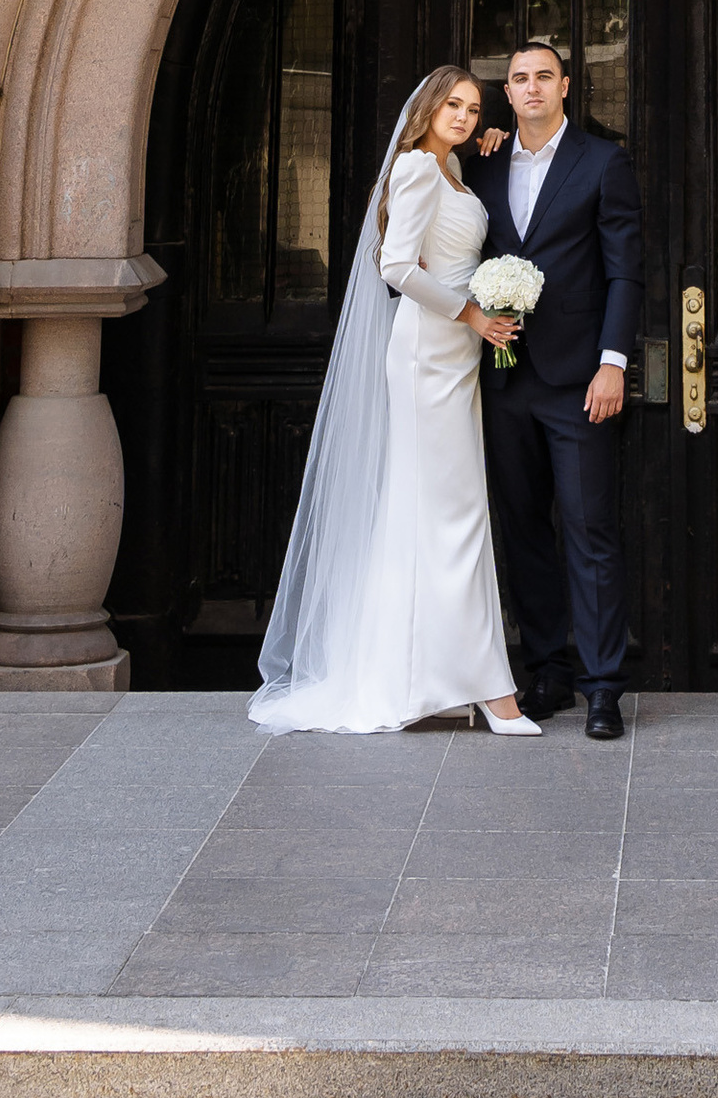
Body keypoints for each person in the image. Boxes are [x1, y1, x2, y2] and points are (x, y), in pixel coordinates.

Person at [248, 64, 537, 734]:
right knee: (449, 518)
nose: (464, 117)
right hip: (425, 357)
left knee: (441, 518)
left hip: (457, 359)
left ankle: (433, 677)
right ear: (429, 108)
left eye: (473, 108)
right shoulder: (413, 170)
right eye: (454, 105)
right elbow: (396, 266)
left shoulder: (456, 172)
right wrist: (471, 314)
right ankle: (490, 691)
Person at [463, 38, 645, 739]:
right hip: (506, 381)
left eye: (544, 76)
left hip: (579, 381)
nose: (532, 87)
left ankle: (603, 687)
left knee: (590, 531)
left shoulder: (604, 161)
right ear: (506, 94)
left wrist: (613, 362)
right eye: (519, 79)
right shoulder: (481, 166)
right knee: (525, 531)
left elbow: (625, 270)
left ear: (565, 86)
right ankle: (548, 673)